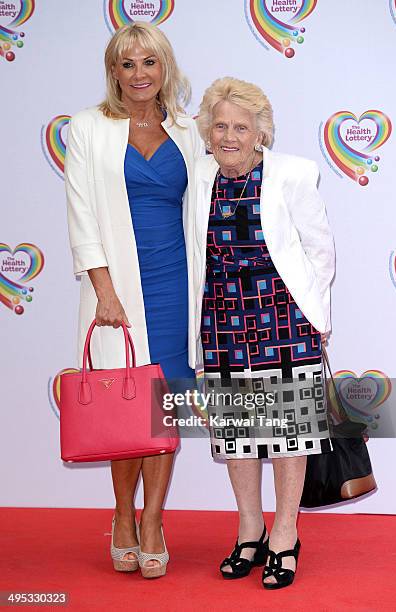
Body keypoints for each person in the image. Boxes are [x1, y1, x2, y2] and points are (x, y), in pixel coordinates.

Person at [64, 22, 203, 578]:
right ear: (113, 72)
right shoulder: (88, 127)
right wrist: (104, 291)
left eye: (150, 62)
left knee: (162, 404)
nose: (139, 74)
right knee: (124, 403)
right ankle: (122, 515)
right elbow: (81, 212)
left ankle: (152, 521)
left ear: (164, 68)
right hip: (117, 287)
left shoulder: (190, 131)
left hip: (175, 284)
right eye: (128, 64)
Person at [192, 77, 335, 589]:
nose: (230, 135)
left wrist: (317, 321)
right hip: (223, 320)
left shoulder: (293, 175)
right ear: (207, 131)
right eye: (221, 125)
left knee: (286, 436)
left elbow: (320, 253)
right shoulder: (199, 176)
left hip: (284, 319)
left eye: (242, 126)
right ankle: (249, 530)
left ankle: (285, 534)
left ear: (261, 132)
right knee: (236, 435)